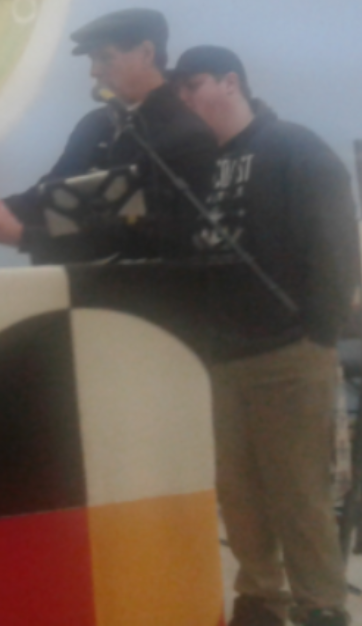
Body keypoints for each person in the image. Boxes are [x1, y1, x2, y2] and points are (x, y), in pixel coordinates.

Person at [171, 46, 361, 626]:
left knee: (298, 493)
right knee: (238, 494)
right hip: (220, 355)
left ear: (231, 83)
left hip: (288, 350)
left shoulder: (294, 148)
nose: (185, 99)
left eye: (194, 85)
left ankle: (321, 605)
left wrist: (316, 334)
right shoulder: (198, 166)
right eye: (178, 90)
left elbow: (337, 246)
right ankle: (259, 597)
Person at [0, 8, 217, 264]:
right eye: (92, 60)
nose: (94, 71)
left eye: (105, 57)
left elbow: (153, 237)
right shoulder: (96, 124)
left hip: (147, 296)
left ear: (146, 53)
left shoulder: (188, 137)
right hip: (81, 283)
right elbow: (52, 193)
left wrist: (24, 237)